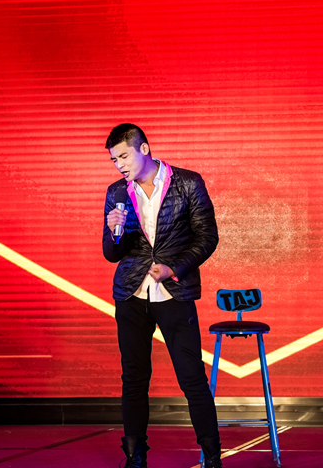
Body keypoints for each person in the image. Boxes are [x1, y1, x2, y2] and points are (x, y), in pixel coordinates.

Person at [102, 123, 222, 468]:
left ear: (144, 149)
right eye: (114, 160)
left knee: (192, 377)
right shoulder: (117, 192)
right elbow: (112, 253)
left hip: (175, 292)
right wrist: (114, 230)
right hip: (131, 294)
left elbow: (207, 237)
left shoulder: (188, 183)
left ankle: (212, 457)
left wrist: (174, 268)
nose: (119, 165)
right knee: (134, 377)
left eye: (124, 156)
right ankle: (135, 456)